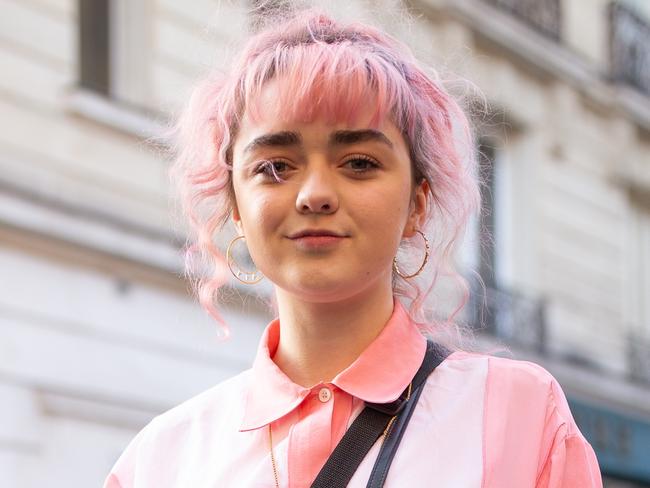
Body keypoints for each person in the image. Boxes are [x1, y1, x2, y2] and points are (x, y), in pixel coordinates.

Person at [103, 7, 603, 488]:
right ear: (235, 204)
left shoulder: (519, 417)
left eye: (359, 162)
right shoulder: (162, 458)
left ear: (417, 203)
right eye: (275, 166)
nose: (314, 194)